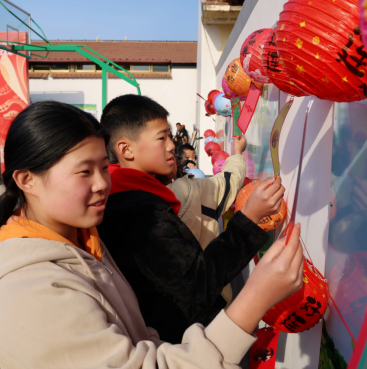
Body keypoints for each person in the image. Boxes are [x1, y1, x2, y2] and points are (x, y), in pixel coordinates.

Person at [0, 100, 305, 368]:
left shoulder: (85, 241)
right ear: (26, 180)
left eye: (101, 167)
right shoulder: (33, 293)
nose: (101, 184)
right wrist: (253, 300)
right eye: (84, 172)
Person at [98, 94, 286, 343]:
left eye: (170, 136)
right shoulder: (140, 212)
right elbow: (199, 283)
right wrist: (249, 218)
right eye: (162, 137)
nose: (170, 146)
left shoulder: (119, 197)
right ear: (125, 149)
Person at [166, 136, 248, 305]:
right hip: (210, 297)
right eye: (162, 137)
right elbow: (228, 181)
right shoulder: (189, 189)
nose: (171, 145)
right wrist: (238, 152)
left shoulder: (123, 199)